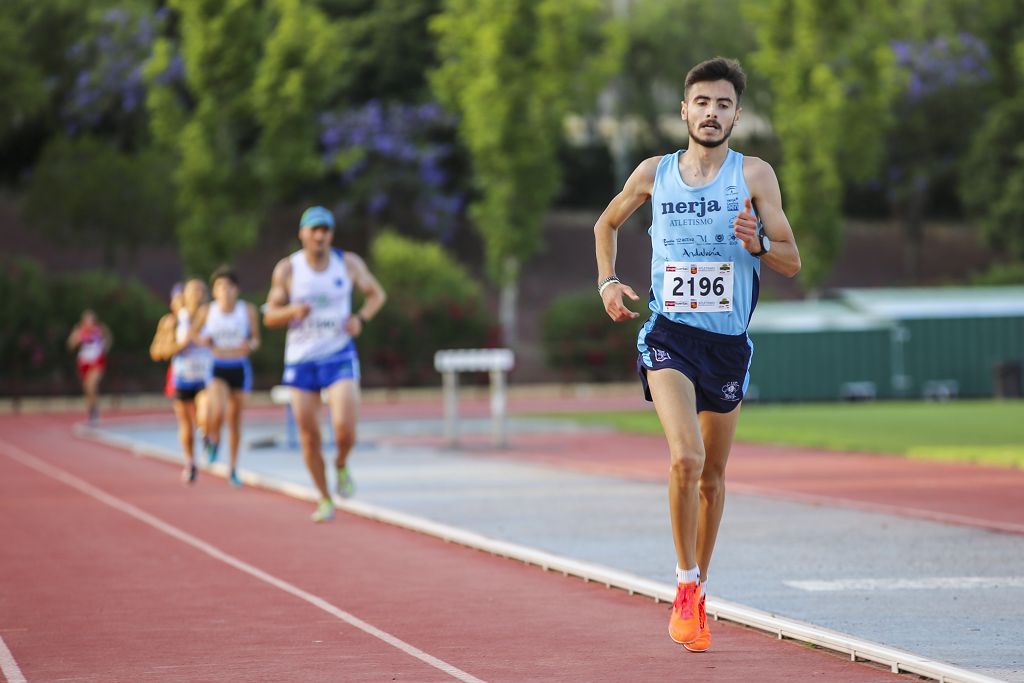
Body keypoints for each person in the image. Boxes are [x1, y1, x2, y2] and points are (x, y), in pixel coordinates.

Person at [593, 57, 801, 652]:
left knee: (712, 476)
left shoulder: (755, 176)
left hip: (727, 345)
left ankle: (701, 584)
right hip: (669, 335)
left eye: (724, 104)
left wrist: (758, 243)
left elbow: (792, 260)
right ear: (685, 111)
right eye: (702, 103)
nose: (712, 113)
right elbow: (606, 225)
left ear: (738, 114)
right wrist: (608, 281)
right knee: (685, 458)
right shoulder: (654, 173)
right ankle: (684, 588)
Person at [263, 206, 386, 522]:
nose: (320, 235)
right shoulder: (288, 270)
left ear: (331, 234)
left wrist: (361, 318)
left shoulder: (348, 264)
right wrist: (292, 312)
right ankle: (324, 497)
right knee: (309, 435)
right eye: (314, 229)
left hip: (339, 354)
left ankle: (342, 463)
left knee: (345, 430)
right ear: (302, 234)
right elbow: (269, 316)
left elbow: (377, 295)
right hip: (301, 361)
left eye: (325, 230)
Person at [191, 266, 261, 487]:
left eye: (229, 286)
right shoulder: (207, 312)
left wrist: (249, 345)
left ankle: (233, 468)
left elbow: (256, 339)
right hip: (217, 366)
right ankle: (212, 439)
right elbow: (192, 333)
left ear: (237, 289)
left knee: (235, 422)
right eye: (220, 286)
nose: (225, 291)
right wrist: (204, 341)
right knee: (218, 410)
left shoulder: (247, 310)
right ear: (214, 291)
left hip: (239, 367)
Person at [150, 278, 213, 484]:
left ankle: (205, 435)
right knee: (185, 423)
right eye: (193, 290)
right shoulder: (172, 321)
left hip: (205, 376)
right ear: (184, 295)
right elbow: (156, 351)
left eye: (200, 290)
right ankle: (190, 462)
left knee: (205, 412)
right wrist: (180, 345)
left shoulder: (212, 316)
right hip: (182, 377)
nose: (197, 294)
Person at [67, 310, 113, 425]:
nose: (90, 322)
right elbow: (70, 346)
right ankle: (92, 410)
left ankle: (94, 411)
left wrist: (105, 347)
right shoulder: (79, 331)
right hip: (84, 362)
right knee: (87, 389)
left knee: (91, 384)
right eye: (87, 320)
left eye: (91, 320)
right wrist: (75, 337)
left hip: (97, 362)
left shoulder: (100, 330)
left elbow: (109, 339)